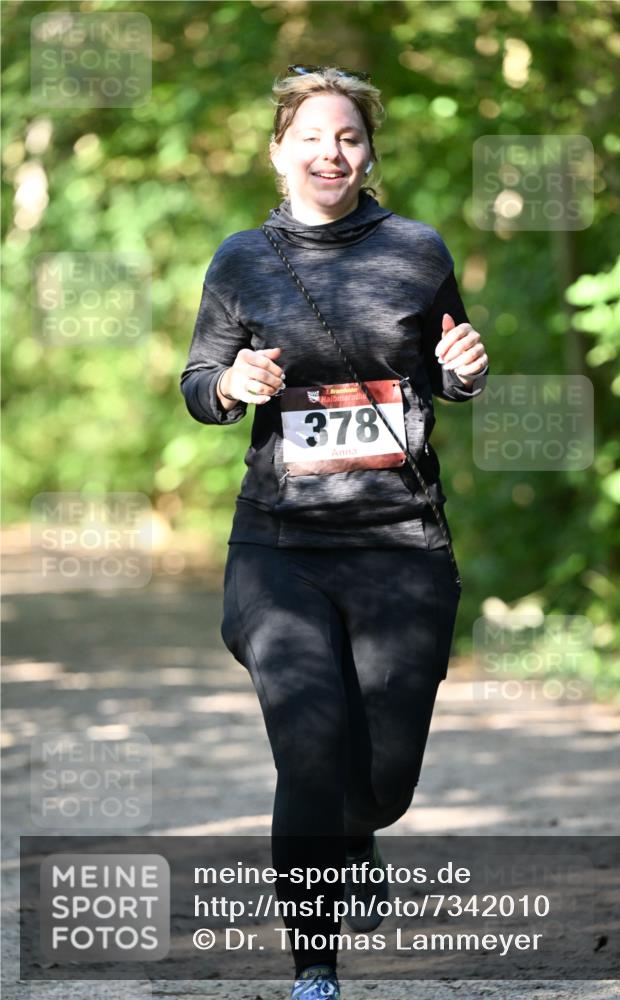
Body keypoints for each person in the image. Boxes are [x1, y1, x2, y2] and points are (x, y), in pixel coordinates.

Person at [180, 63, 489, 1000]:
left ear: (368, 153)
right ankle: (315, 960)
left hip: (401, 543)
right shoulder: (240, 259)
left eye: (348, 136)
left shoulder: (417, 250)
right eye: (312, 136)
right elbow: (200, 383)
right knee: (308, 742)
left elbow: (447, 370)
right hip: (280, 546)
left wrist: (465, 371)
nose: (331, 151)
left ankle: (358, 832)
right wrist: (230, 387)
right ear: (279, 153)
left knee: (381, 783)